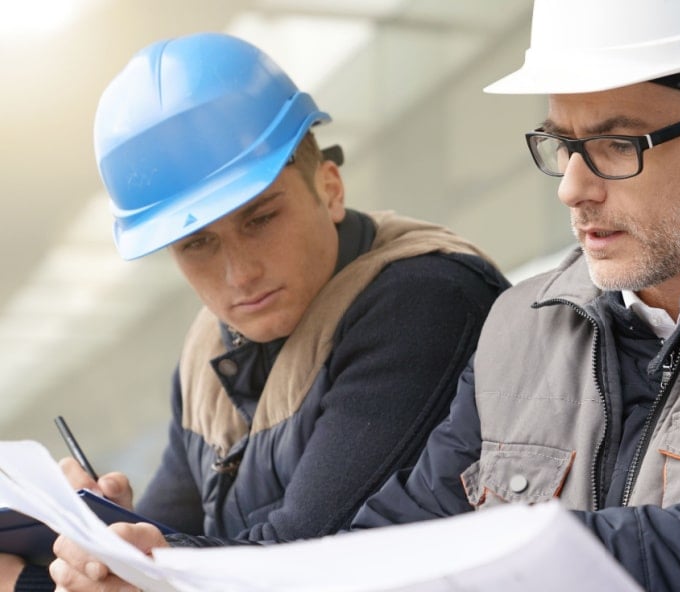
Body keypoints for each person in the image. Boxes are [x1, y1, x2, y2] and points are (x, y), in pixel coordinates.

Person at [49, 1, 680, 590]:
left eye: (611, 146)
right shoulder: (519, 330)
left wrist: (511, 550)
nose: (571, 189)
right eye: (561, 144)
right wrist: (163, 565)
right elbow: (381, 544)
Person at [10, 32, 509, 591]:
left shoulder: (423, 300)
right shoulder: (210, 349)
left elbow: (300, 561)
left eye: (260, 219)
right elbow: (170, 533)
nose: (238, 273)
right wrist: (109, 534)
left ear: (330, 188)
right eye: (197, 244)